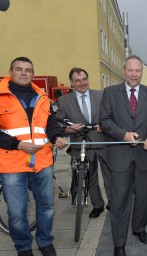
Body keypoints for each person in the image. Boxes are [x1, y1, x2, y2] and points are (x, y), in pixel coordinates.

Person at [0, 57, 67, 256]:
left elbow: (51, 124)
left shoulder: (42, 97)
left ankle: (45, 242)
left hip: (42, 162)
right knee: (17, 213)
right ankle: (23, 247)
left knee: (46, 207)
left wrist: (57, 137)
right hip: (12, 163)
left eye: (28, 70)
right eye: (19, 69)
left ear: (33, 74)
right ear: (10, 72)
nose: (23, 73)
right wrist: (18, 144)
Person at [99, 55, 147, 256]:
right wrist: (124, 135)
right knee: (119, 201)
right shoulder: (110, 93)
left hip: (145, 155)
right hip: (120, 157)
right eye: (131, 70)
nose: (134, 74)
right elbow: (105, 120)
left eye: (138, 71)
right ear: (124, 70)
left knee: (143, 197)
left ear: (141, 72)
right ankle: (119, 243)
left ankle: (139, 229)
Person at [56, 67, 111, 218]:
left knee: (110, 175)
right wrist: (69, 129)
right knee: (89, 176)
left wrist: (105, 124)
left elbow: (111, 115)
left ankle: (113, 203)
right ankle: (97, 205)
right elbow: (59, 124)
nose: (82, 83)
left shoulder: (101, 96)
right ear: (72, 83)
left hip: (103, 141)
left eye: (84, 79)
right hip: (81, 143)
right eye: (77, 81)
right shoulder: (64, 101)